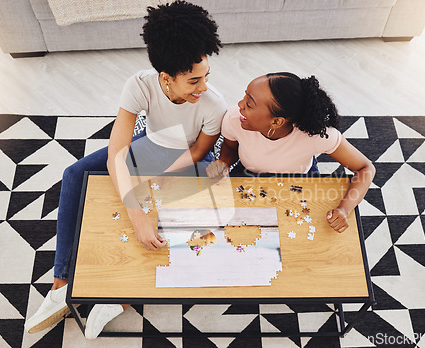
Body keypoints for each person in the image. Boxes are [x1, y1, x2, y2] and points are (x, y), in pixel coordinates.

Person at [25, 0, 226, 339]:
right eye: (193, 80)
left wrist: (152, 179)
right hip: (153, 145)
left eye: (207, 76)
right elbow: (117, 153)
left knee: (166, 210)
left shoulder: (213, 103)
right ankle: (61, 283)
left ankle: (121, 298)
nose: (203, 86)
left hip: (192, 159)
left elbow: (198, 152)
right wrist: (136, 213)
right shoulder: (140, 84)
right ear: (166, 78)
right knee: (76, 174)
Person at [206, 72, 375, 233]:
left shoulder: (316, 136)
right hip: (247, 173)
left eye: (249, 104)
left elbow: (365, 168)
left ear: (277, 121)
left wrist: (344, 210)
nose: (239, 105)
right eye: (245, 96)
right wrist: (223, 162)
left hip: (299, 180)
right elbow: (230, 148)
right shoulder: (235, 118)